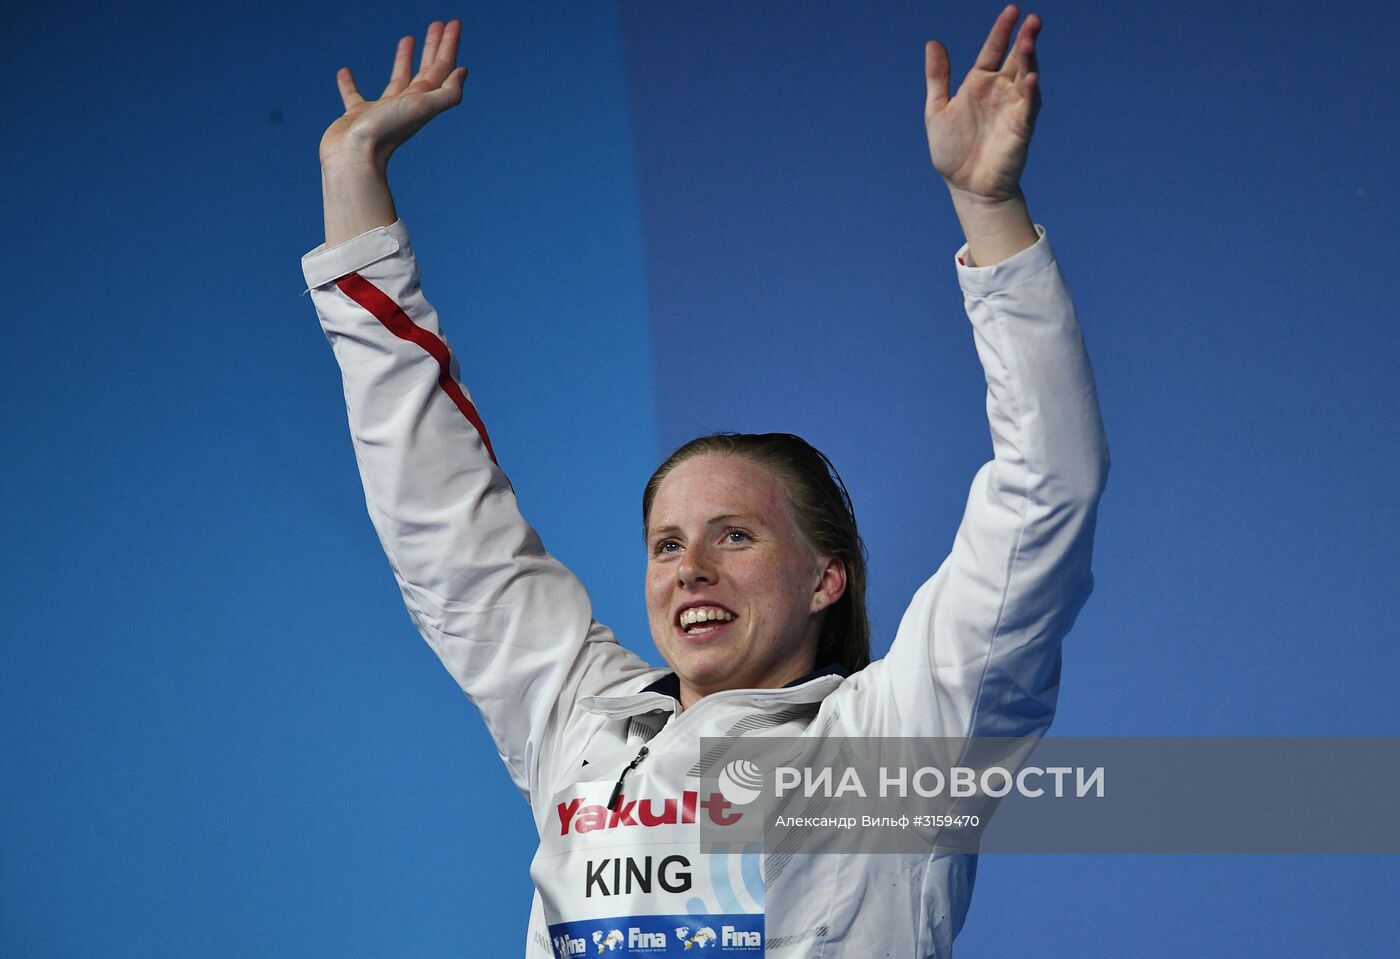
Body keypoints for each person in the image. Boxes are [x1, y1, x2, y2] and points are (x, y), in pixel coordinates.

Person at [300, 5, 1107, 955]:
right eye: (667, 543)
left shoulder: (899, 742)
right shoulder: (580, 725)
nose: (690, 570)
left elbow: (1046, 488)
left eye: (735, 535)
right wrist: (351, 184)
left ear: (825, 577)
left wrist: (990, 212)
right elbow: (444, 530)